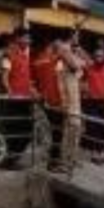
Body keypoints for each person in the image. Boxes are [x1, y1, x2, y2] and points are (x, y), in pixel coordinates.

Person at [0, 28, 36, 166]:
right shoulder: (9, 54)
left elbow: (26, 79)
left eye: (29, 38)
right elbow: (4, 78)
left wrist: (33, 91)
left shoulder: (25, 56)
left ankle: (13, 158)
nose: (29, 41)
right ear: (18, 38)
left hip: (25, 99)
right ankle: (10, 160)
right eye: (26, 38)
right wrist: (10, 93)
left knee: (27, 129)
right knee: (15, 129)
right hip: (15, 100)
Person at [31, 41, 66, 171]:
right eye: (62, 48)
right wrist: (64, 102)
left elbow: (33, 82)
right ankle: (54, 163)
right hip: (55, 101)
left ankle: (50, 160)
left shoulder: (37, 60)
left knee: (49, 132)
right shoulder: (56, 61)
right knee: (57, 133)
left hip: (43, 100)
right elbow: (59, 82)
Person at [57, 39, 88, 170]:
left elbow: (88, 63)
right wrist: (71, 51)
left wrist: (80, 51)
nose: (72, 52)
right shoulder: (61, 64)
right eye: (70, 49)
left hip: (76, 103)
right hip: (68, 104)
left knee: (76, 132)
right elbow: (76, 64)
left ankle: (72, 159)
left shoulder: (73, 65)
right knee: (68, 133)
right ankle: (64, 162)